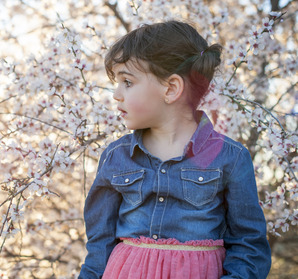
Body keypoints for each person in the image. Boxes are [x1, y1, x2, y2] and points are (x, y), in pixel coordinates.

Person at [78, 20, 271, 279]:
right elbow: (99, 245)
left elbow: (248, 244)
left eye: (127, 82)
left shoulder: (230, 158)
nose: (116, 94)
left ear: (171, 89)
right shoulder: (116, 157)